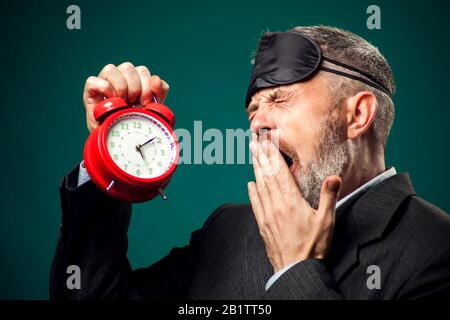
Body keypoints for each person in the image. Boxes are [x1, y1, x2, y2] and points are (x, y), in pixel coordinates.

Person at [50, 26, 450, 299]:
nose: (257, 122)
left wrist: (295, 269)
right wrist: (113, 146)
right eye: (252, 111)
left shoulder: (436, 250)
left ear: (357, 116)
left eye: (279, 99)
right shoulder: (229, 229)